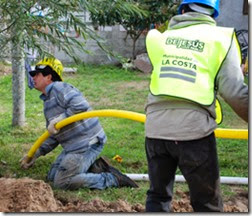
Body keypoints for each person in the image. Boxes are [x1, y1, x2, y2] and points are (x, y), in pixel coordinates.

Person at [145, 0, 248, 212]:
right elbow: (234, 93)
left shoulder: (163, 38)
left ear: (183, 10)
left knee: (158, 197)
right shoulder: (221, 38)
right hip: (194, 134)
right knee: (206, 204)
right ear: (213, 13)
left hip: (155, 130)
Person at [20, 57, 138, 190]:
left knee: (62, 182)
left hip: (87, 143)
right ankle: (93, 168)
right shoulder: (48, 100)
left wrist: (61, 118)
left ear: (48, 77)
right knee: (52, 176)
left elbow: (81, 105)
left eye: (37, 74)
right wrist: (36, 153)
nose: (33, 78)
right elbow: (54, 132)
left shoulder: (60, 88)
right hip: (73, 146)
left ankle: (112, 179)